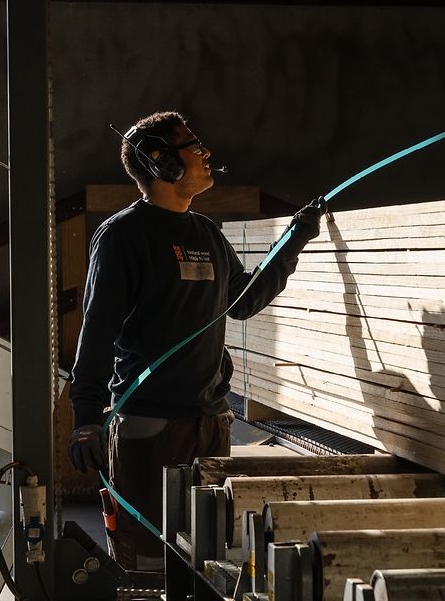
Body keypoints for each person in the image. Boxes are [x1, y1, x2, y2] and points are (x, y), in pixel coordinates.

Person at [67, 110, 324, 571]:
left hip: (210, 423)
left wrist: (294, 240)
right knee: (149, 566)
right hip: (151, 427)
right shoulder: (123, 236)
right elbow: (97, 330)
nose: (205, 153)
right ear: (162, 162)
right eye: (192, 146)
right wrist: (86, 417)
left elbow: (243, 301)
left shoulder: (205, 232)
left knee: (207, 563)